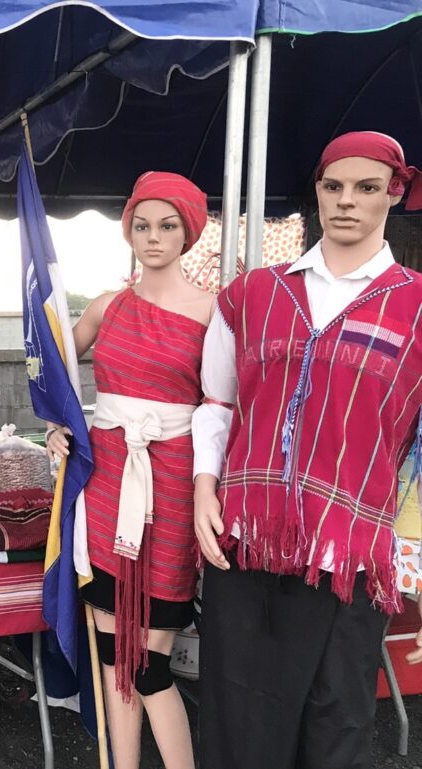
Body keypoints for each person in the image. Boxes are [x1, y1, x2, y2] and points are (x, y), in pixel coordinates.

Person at [193, 131, 422, 769]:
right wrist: (204, 489)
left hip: (349, 554)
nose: (347, 201)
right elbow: (218, 402)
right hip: (246, 541)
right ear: (317, 192)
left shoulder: (416, 306)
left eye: (367, 187)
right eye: (333, 186)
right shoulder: (250, 295)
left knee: (335, 721)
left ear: (394, 193)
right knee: (240, 723)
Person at [46, 172, 211, 769]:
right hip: (106, 483)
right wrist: (56, 424)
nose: (153, 237)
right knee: (115, 660)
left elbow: (226, 407)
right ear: (128, 231)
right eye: (142, 225)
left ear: (189, 232)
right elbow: (51, 371)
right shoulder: (106, 306)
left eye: (167, 226)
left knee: (150, 667)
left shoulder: (216, 313)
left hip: (173, 488)